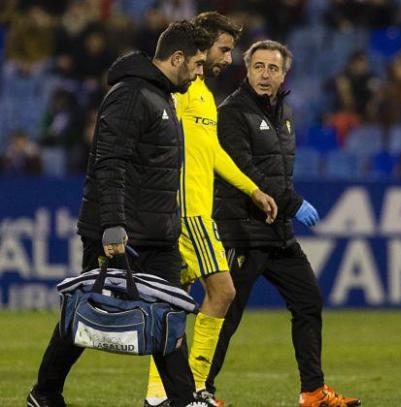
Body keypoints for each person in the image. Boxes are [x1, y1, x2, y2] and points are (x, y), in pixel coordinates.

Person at [27, 21, 215, 407]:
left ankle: (184, 399)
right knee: (86, 313)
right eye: (196, 64)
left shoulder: (161, 97)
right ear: (176, 58)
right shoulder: (131, 95)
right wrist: (113, 226)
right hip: (119, 233)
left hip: (156, 234)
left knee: (168, 318)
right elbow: (110, 163)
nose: (200, 73)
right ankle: (44, 393)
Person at [209, 40, 361, 406]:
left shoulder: (284, 113)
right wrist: (293, 203)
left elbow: (279, 172)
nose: (265, 74)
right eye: (258, 66)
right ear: (246, 70)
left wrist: (285, 207)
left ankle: (313, 392)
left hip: (277, 232)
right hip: (243, 229)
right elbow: (246, 170)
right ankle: (199, 392)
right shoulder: (231, 112)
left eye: (272, 68)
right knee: (225, 315)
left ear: (284, 74)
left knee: (308, 302)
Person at [143, 12, 278, 407]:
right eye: (224, 49)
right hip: (186, 212)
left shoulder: (202, 94)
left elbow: (211, 150)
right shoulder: (179, 90)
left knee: (172, 302)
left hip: (196, 208)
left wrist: (253, 190)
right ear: (200, 47)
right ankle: (196, 387)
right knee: (223, 291)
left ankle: (158, 395)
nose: (229, 58)